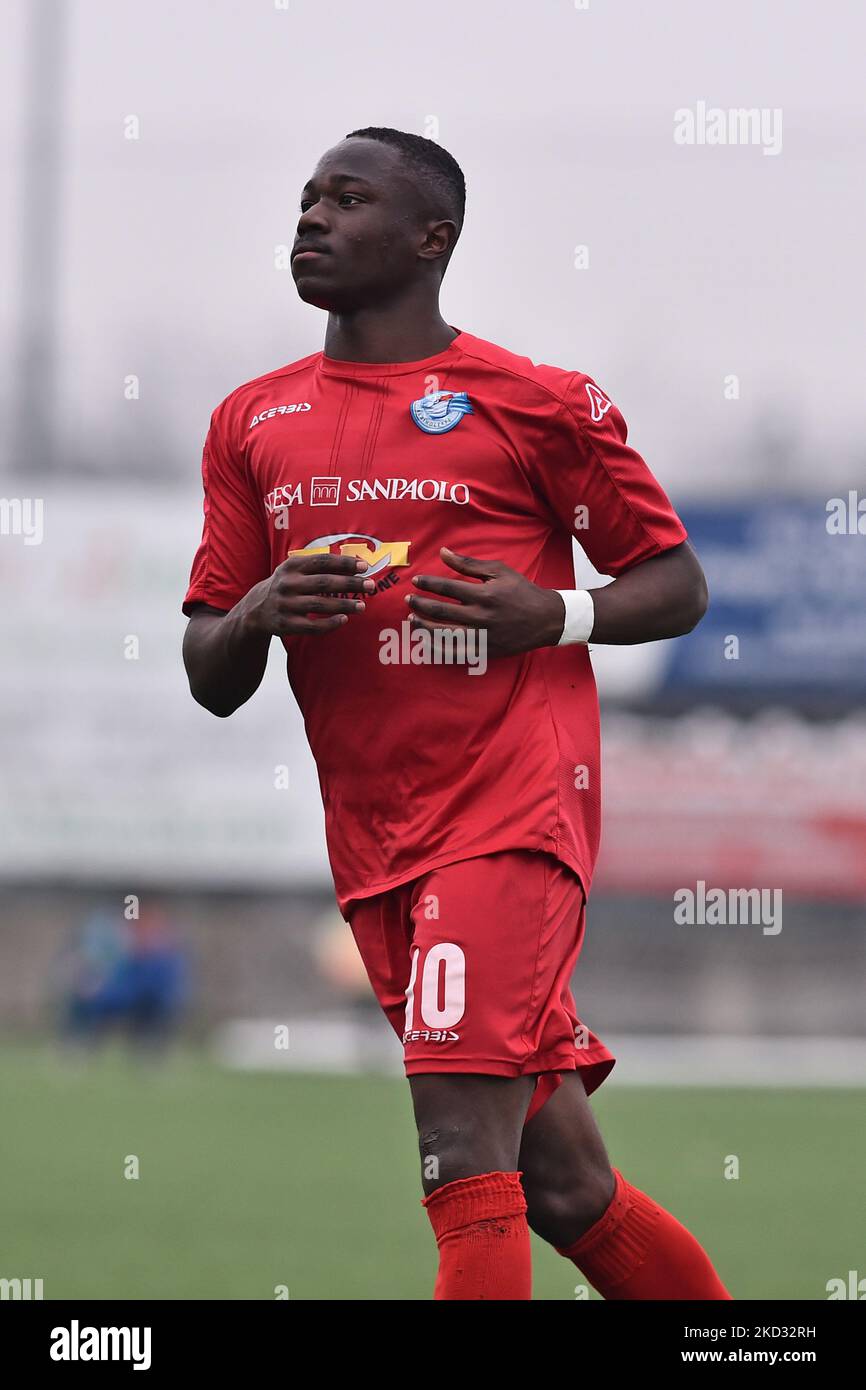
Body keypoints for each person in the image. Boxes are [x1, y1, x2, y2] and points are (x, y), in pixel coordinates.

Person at [181, 126, 730, 1300]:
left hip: (506, 820)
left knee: (457, 1156)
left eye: (347, 199)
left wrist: (557, 614)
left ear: (432, 239)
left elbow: (675, 584)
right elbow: (208, 672)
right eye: (305, 198)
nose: (311, 218)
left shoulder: (532, 402)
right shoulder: (252, 422)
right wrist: (262, 609)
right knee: (570, 1189)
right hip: (375, 845)